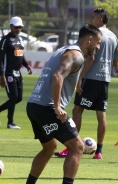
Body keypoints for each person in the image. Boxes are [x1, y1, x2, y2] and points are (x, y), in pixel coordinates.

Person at [25, 24, 102, 184]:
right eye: (97, 42)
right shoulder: (76, 55)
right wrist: (57, 106)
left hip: (33, 105)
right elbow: (57, 76)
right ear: (89, 39)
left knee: (49, 148)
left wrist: (76, 81)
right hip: (48, 108)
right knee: (78, 147)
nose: (98, 46)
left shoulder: (64, 50)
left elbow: (63, 74)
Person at [54, 8, 118, 159]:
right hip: (105, 80)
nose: (91, 20)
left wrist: (80, 78)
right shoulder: (114, 37)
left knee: (77, 111)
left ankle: (71, 147)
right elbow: (116, 62)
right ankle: (99, 152)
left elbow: (90, 59)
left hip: (90, 78)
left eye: (93, 18)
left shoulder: (96, 36)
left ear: (99, 20)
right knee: (101, 114)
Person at [0, 16, 32, 129]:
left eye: (20, 27)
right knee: (13, 97)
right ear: (11, 26)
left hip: (18, 73)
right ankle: (10, 123)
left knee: (19, 98)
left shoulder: (20, 39)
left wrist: (27, 65)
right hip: (8, 73)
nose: (18, 29)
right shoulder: (5, 40)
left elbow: (21, 55)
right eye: (16, 27)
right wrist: (1, 75)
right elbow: (0, 58)